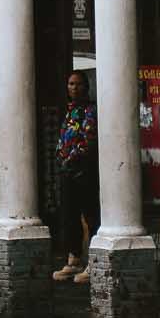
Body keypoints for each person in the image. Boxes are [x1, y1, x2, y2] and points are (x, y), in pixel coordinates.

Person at [53, 67, 99, 285]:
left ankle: (94, 262)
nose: (74, 88)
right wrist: (61, 157)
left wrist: (73, 158)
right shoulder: (70, 111)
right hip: (67, 172)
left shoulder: (90, 111)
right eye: (71, 84)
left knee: (90, 215)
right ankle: (74, 259)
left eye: (78, 84)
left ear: (86, 87)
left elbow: (89, 140)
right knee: (69, 215)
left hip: (84, 172)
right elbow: (64, 138)